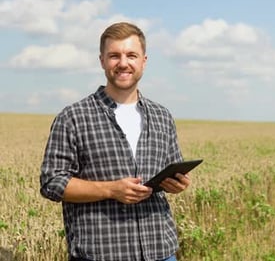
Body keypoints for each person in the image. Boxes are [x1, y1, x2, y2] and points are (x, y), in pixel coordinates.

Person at [40, 22, 190, 261]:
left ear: (144, 61)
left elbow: (174, 168)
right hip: (102, 253)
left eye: (131, 55)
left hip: (160, 251)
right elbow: (52, 183)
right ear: (102, 61)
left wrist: (178, 183)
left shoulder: (162, 116)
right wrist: (110, 189)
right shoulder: (73, 117)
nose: (123, 63)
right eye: (114, 56)